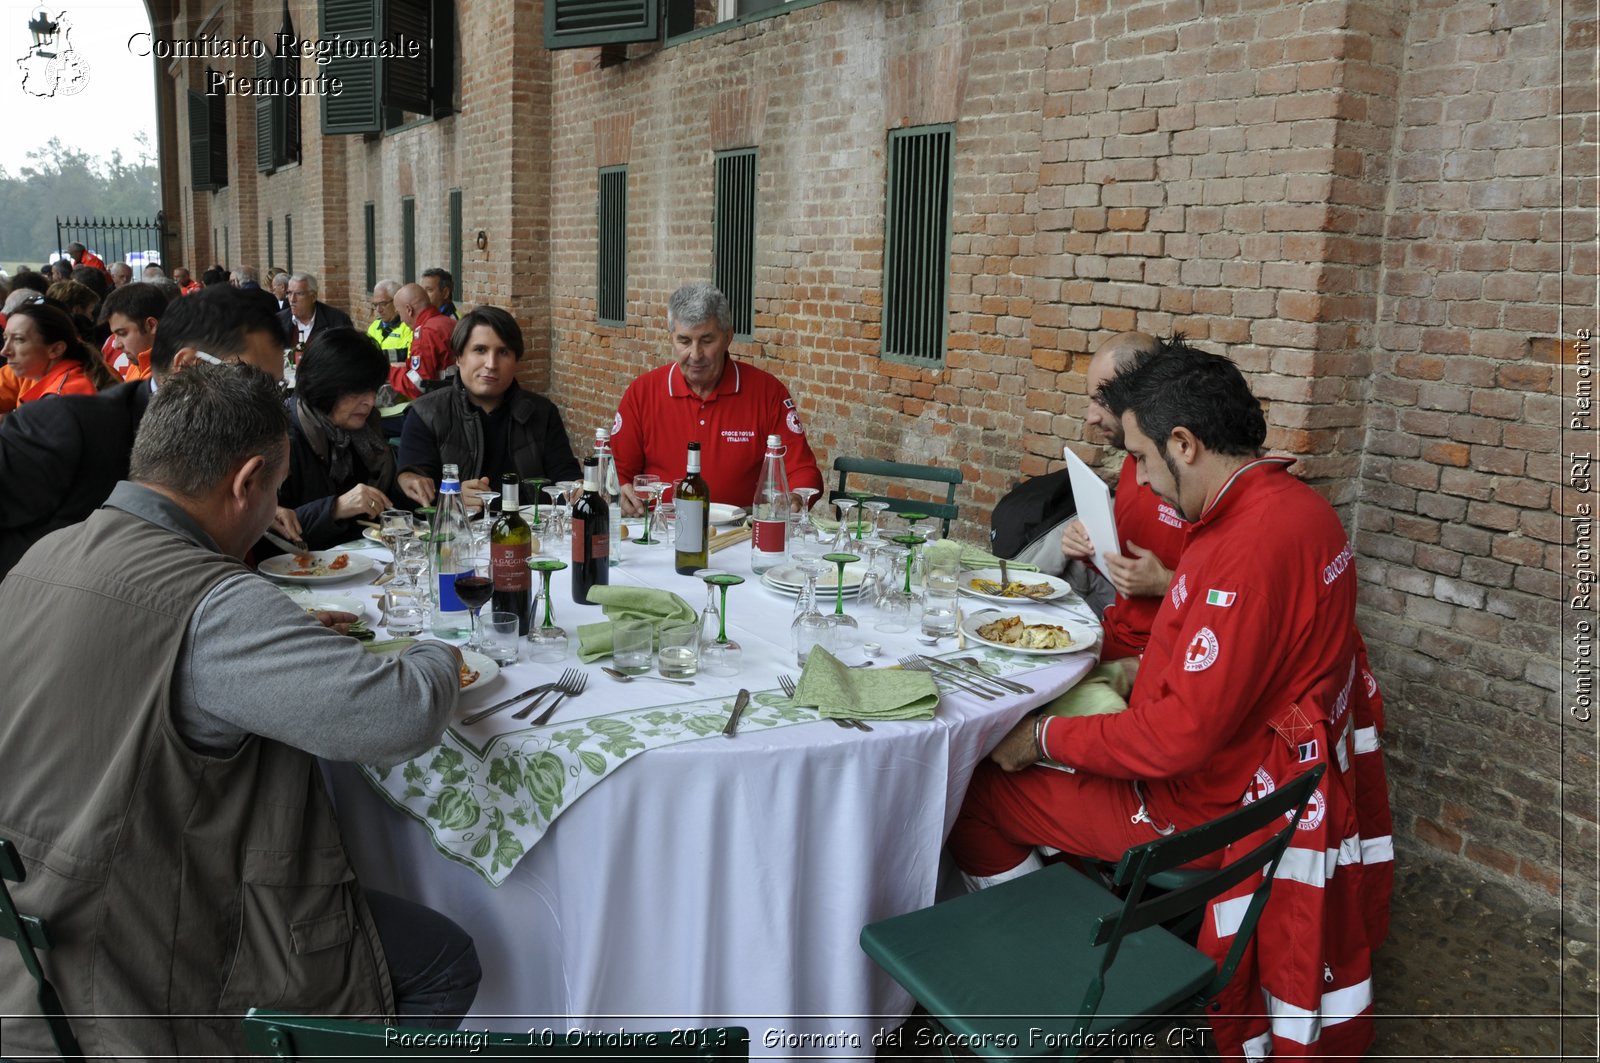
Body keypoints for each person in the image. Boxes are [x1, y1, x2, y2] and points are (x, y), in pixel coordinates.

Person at [0, 364, 480, 1057]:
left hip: (32, 923)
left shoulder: (43, 555)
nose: (275, 508)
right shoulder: (215, 604)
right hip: (143, 943)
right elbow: (397, 716)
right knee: (443, 959)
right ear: (247, 480)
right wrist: (441, 647)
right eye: (278, 489)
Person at [948, 342, 1363, 887]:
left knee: (974, 795)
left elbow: (1176, 737)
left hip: (1202, 807)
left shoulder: (1239, 551)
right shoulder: (1302, 508)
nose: (1140, 481)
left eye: (1142, 458)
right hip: (1264, 769)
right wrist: (1125, 674)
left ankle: (1047, 947)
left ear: (1185, 444)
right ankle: (1074, 876)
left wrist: (1041, 739)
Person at [0, 285, 289, 579]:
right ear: (189, 366)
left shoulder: (243, 442)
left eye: (276, 389)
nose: (271, 405)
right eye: (255, 383)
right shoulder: (66, 428)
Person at [611, 283, 822, 515]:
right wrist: (619, 493)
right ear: (671, 337)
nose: (695, 354)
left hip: (742, 534)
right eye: (684, 341)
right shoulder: (642, 393)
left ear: (728, 337)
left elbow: (802, 471)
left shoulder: (767, 393)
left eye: (707, 340)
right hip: (660, 533)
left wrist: (794, 498)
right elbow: (617, 474)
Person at [1060, 332, 1189, 664]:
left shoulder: (1193, 480)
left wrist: (1165, 583)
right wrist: (1089, 548)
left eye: (1102, 400)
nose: (1090, 416)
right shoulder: (1135, 460)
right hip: (1109, 636)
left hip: (1156, 659)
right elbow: (1124, 560)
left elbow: (1231, 600)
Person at [396, 305, 580, 507]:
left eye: (503, 352)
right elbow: (413, 495)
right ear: (458, 357)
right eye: (480, 350)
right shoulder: (426, 413)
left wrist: (578, 488)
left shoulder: (541, 413)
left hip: (530, 532)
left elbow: (565, 476)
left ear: (515, 360)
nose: (491, 364)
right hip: (458, 532)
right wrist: (450, 498)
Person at [281, 328, 400, 547]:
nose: (370, 402)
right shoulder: (284, 441)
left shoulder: (365, 434)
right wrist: (335, 508)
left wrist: (407, 479)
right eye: (358, 392)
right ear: (326, 385)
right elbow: (270, 530)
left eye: (373, 391)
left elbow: (388, 504)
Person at [2, 301, 117, 403]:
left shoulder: (61, 397)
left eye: (19, 339)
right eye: (5, 338)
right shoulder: (42, 374)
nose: (4, 351)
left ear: (56, 349)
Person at [386, 281, 454, 400]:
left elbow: (418, 385)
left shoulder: (425, 333)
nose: (401, 320)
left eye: (399, 313)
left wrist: (388, 372)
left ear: (409, 309)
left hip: (442, 403)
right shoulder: (449, 322)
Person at [100, 281, 169, 382]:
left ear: (151, 325)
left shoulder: (176, 376)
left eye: (122, 333)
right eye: (114, 334)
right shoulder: (136, 366)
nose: (116, 345)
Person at [280, 271, 354, 354]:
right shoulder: (279, 321)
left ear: (314, 296)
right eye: (289, 293)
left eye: (299, 294)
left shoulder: (337, 322)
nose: (292, 299)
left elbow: (348, 356)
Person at [365, 278, 413, 363]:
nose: (378, 309)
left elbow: (410, 360)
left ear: (397, 301)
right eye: (375, 304)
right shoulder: (374, 326)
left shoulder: (409, 327)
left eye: (383, 304)